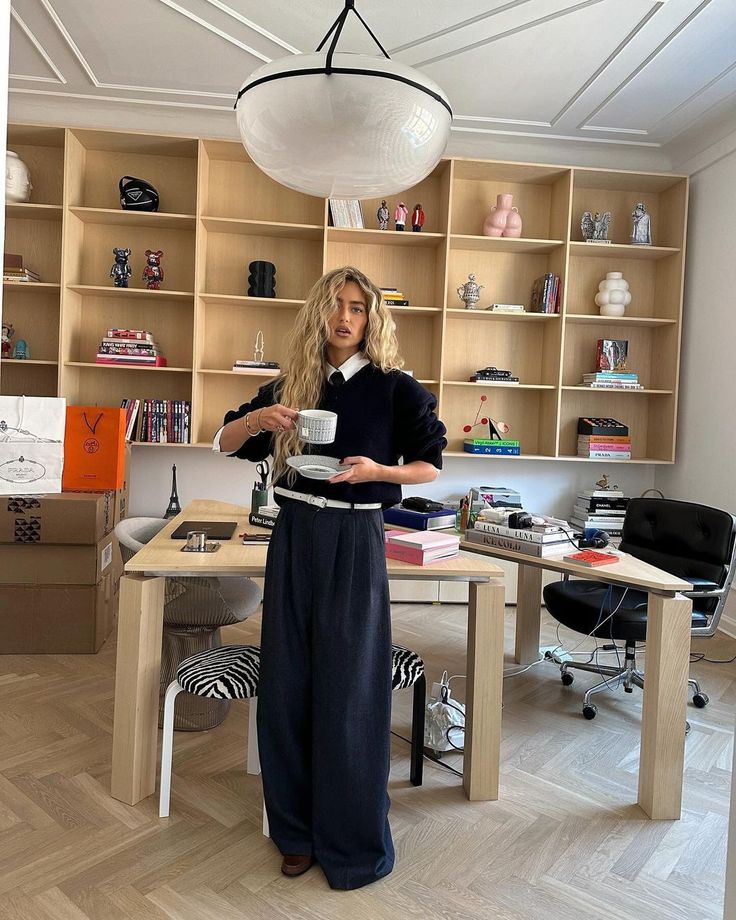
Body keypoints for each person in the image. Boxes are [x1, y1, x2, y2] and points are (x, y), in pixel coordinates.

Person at [214, 266, 447, 890]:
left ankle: (351, 839)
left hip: (355, 537)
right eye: (335, 306)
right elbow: (222, 440)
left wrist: (379, 470)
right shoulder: (294, 384)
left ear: (372, 319)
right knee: (288, 682)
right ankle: (294, 831)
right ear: (317, 313)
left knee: (350, 691)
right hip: (294, 537)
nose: (345, 317)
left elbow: (430, 466)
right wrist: (259, 422)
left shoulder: (396, 389)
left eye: (357, 308)